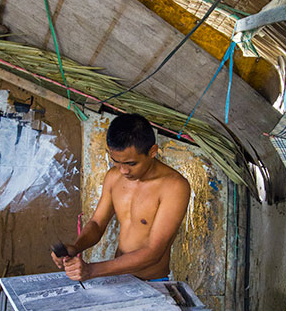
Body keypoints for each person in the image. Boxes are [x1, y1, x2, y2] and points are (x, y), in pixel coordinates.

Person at [51, 113, 190, 281]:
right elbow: (97, 223)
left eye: (131, 163)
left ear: (152, 151)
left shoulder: (174, 186)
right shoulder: (114, 177)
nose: (123, 170)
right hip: (120, 280)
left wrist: (91, 270)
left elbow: (154, 252)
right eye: (116, 161)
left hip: (153, 282)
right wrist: (76, 247)